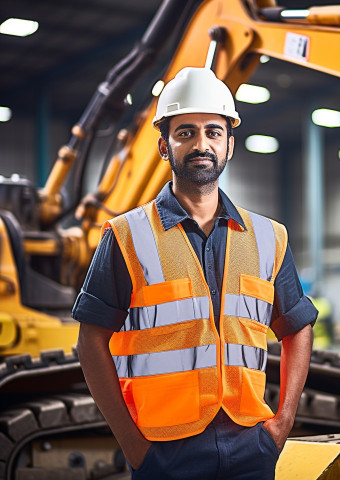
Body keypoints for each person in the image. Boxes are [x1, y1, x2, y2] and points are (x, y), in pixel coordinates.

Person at [73, 67, 317, 480]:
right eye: (185, 132)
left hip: (251, 444)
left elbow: (297, 326)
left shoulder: (268, 236)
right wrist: (134, 446)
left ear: (229, 145)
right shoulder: (127, 236)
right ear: (164, 147)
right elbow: (90, 340)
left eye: (213, 132)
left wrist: (283, 422)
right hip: (164, 450)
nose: (201, 143)